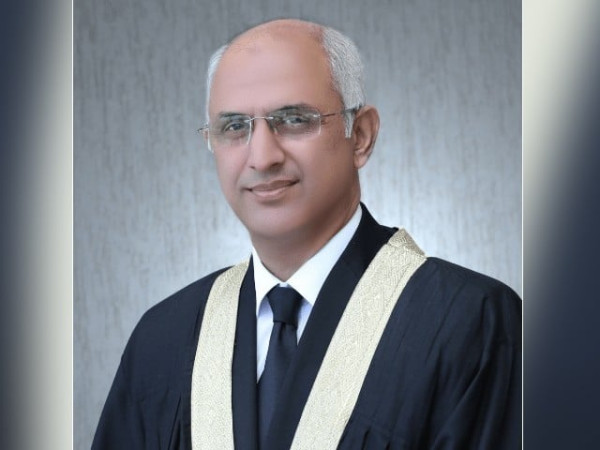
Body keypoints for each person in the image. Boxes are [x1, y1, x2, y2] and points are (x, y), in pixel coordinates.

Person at [92, 19, 521, 450]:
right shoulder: (164, 338)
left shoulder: (470, 325)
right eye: (235, 127)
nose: (262, 157)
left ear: (361, 136)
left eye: (294, 120)